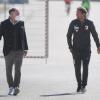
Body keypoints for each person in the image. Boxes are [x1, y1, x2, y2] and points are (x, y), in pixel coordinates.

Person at [67, 7, 100, 93]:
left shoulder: (89, 23)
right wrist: (70, 47)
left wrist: (98, 46)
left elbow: (95, 35)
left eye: (78, 13)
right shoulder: (73, 23)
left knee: (85, 67)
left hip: (86, 51)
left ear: (83, 14)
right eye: (76, 12)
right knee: (77, 69)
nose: (76, 14)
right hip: (76, 51)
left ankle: (84, 85)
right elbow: (68, 35)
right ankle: (79, 85)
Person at [0, 8, 28, 96]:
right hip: (8, 51)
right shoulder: (4, 24)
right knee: (8, 70)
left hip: (19, 50)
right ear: (10, 14)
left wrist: (25, 48)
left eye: (16, 13)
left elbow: (24, 36)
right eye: (14, 13)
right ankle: (11, 87)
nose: (15, 14)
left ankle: (16, 87)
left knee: (18, 70)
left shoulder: (20, 23)